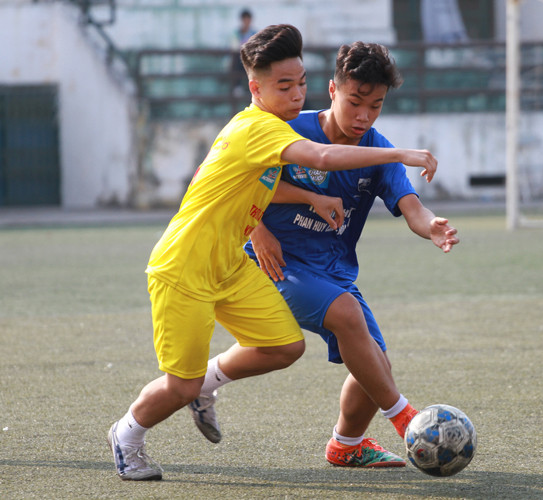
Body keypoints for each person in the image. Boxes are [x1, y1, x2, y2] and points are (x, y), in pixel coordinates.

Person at [107, 25, 439, 481]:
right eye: (284, 86)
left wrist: (310, 198)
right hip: (185, 268)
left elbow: (251, 183)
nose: (297, 94)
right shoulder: (259, 127)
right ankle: (126, 436)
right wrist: (400, 154)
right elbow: (323, 158)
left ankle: (219, 389)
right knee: (180, 385)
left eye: (301, 82)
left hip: (229, 265)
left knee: (285, 347)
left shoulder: (273, 127)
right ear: (255, 88)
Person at [191, 41, 459, 468]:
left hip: (332, 271)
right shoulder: (288, 127)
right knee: (347, 316)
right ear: (333, 90)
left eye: (375, 106)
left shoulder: (376, 151)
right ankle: (406, 419)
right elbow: (231, 179)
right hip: (274, 262)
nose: (364, 116)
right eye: (355, 102)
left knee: (376, 366)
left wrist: (432, 226)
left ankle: (346, 444)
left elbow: (412, 207)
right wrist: (258, 229)